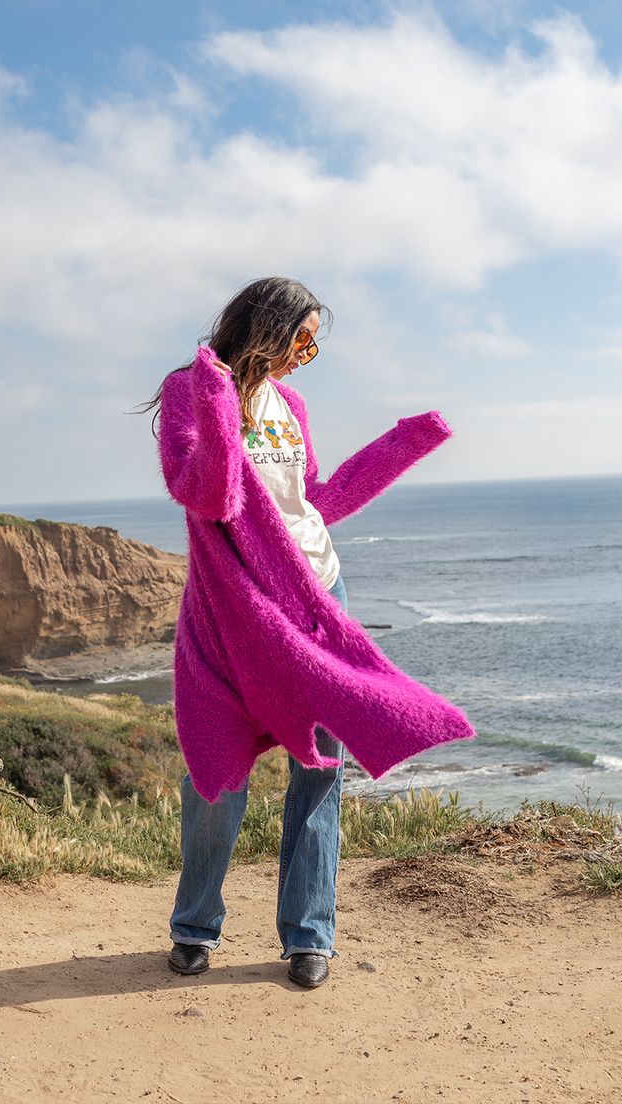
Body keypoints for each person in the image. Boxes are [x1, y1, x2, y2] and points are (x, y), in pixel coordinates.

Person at [136, 275, 475, 989]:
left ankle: (308, 935)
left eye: (314, 348)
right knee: (215, 772)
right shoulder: (189, 391)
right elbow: (208, 494)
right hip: (233, 612)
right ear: (266, 327)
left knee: (322, 769)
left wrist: (402, 444)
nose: (306, 357)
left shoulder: (291, 404)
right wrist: (221, 400)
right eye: (303, 342)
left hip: (320, 595)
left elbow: (313, 500)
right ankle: (194, 928)